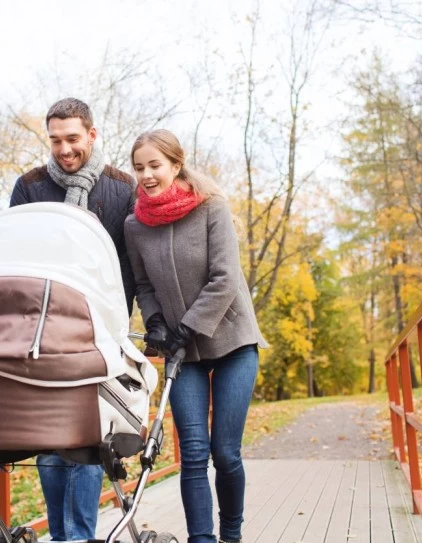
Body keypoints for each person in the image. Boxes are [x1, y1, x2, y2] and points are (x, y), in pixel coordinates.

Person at [124, 129, 268, 543]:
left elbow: (225, 280)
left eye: (155, 165)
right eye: (139, 168)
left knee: (225, 453)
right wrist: (155, 323)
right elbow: (144, 285)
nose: (147, 175)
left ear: (175, 164)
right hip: (180, 354)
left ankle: (231, 535)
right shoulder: (135, 225)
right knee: (193, 454)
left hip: (232, 343)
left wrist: (186, 326)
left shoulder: (212, 209)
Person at [9, 97, 136, 541]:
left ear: (92, 135)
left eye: (73, 139)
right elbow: (16, 256)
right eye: (56, 140)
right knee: (49, 438)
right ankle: (62, 535)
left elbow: (131, 264)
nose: (64, 149)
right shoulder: (29, 187)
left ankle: (79, 535)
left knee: (89, 434)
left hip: (102, 326)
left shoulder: (122, 189)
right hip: (44, 327)